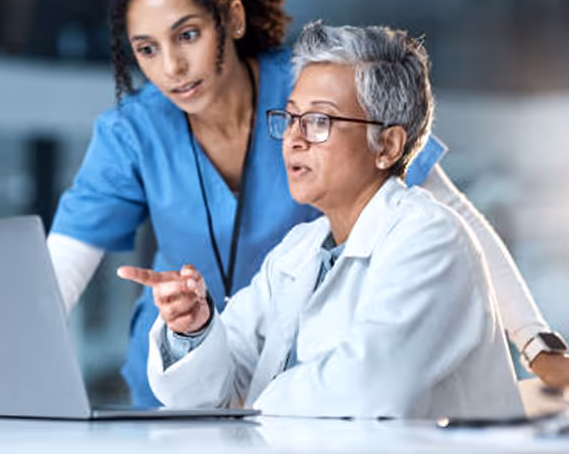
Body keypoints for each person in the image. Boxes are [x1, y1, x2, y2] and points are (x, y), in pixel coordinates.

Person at [48, 0, 569, 406]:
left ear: (231, 19)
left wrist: (534, 339)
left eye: (187, 35)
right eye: (146, 49)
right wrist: (192, 330)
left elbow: (452, 218)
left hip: (304, 395)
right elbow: (57, 275)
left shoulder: (317, 87)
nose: (171, 68)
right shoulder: (138, 134)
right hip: (221, 375)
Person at [120, 22, 524, 419]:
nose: (293, 139)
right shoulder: (299, 249)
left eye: (319, 121)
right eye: (291, 118)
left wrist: (252, 405)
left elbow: (368, 389)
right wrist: (194, 331)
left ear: (387, 145)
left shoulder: (430, 239)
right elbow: (215, 390)